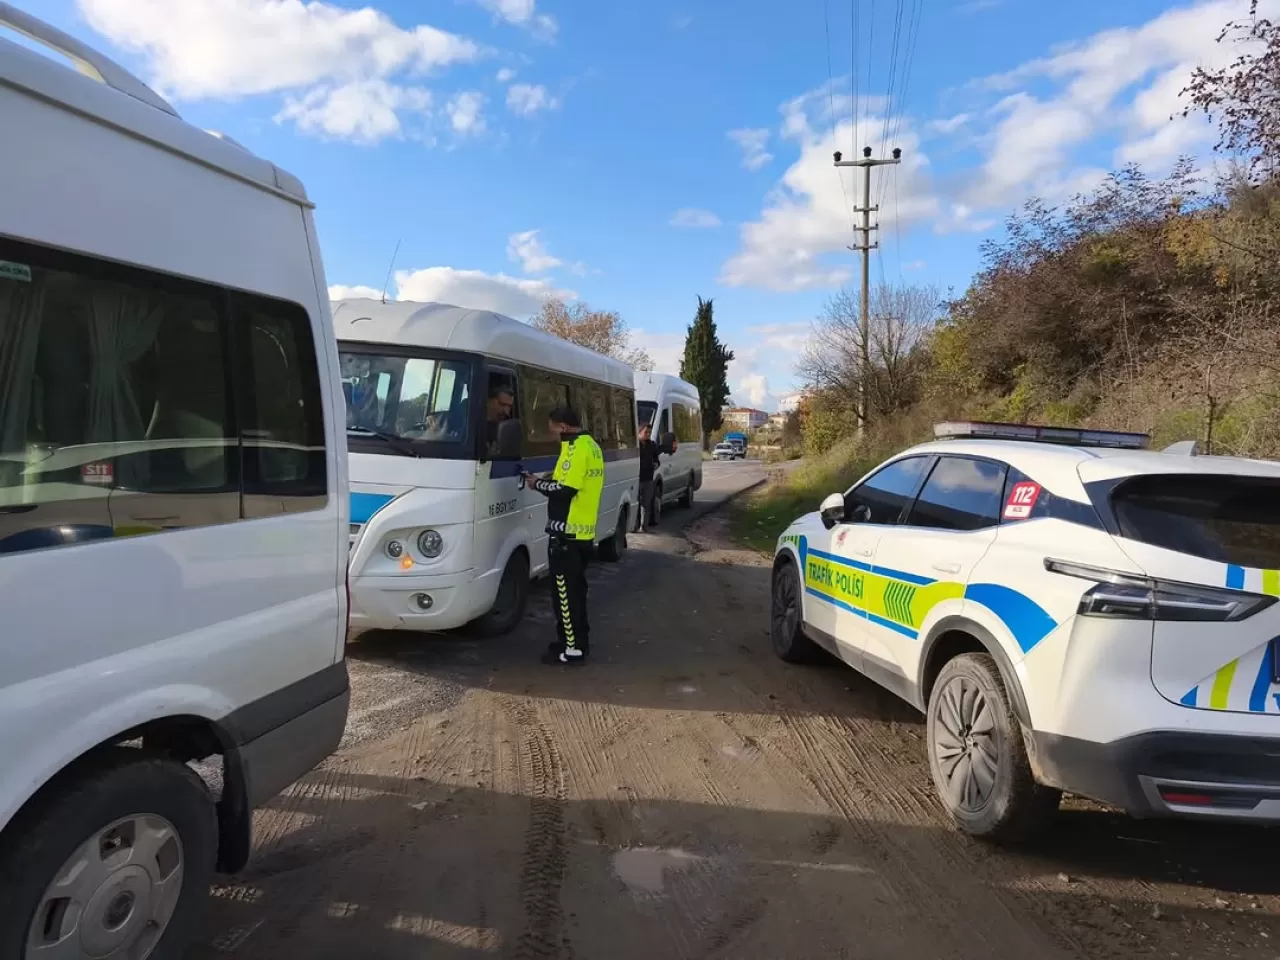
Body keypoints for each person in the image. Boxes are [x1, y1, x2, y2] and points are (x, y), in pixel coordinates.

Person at [521, 406, 604, 666]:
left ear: (563, 427)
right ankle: (576, 641)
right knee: (576, 593)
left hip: (566, 534)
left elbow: (565, 489)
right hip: (581, 532)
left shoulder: (575, 449)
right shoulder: (590, 446)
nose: (553, 435)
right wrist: (552, 477)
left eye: (553, 429)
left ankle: (572, 651)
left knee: (565, 597)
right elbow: (571, 480)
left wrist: (537, 484)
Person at [635, 421, 662, 531]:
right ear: (639, 432)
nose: (648, 434)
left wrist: (656, 464)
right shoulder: (635, 446)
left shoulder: (652, 445)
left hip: (648, 479)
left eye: (649, 432)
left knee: (646, 504)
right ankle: (634, 526)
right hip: (636, 479)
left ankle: (644, 526)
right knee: (636, 503)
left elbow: (656, 459)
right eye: (646, 432)